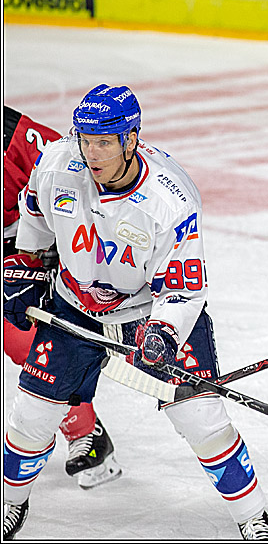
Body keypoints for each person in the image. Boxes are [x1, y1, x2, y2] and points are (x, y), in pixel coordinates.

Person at [2, 86, 268, 540]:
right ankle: (10, 504)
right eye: (85, 139)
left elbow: (184, 288)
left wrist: (164, 334)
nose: (91, 153)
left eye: (104, 142)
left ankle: (254, 518)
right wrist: (26, 265)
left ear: (131, 139)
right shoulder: (55, 163)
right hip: (73, 307)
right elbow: (33, 210)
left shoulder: (171, 199)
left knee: (201, 420)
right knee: (30, 416)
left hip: (149, 308)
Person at [4, 105, 124, 490]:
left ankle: (86, 433)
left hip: (29, 248)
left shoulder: (13, 135)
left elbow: (69, 173)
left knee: (28, 343)